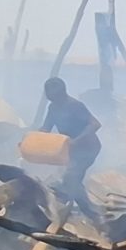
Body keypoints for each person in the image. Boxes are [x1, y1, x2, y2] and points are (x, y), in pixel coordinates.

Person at [37, 77, 102, 209]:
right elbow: (46, 129)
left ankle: (94, 214)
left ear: (62, 94)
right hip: (71, 150)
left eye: (55, 97)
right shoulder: (53, 108)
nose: (52, 100)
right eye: (50, 97)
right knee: (70, 181)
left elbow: (95, 124)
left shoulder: (75, 105)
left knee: (71, 179)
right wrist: (31, 139)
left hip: (88, 148)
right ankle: (71, 205)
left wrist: (76, 141)